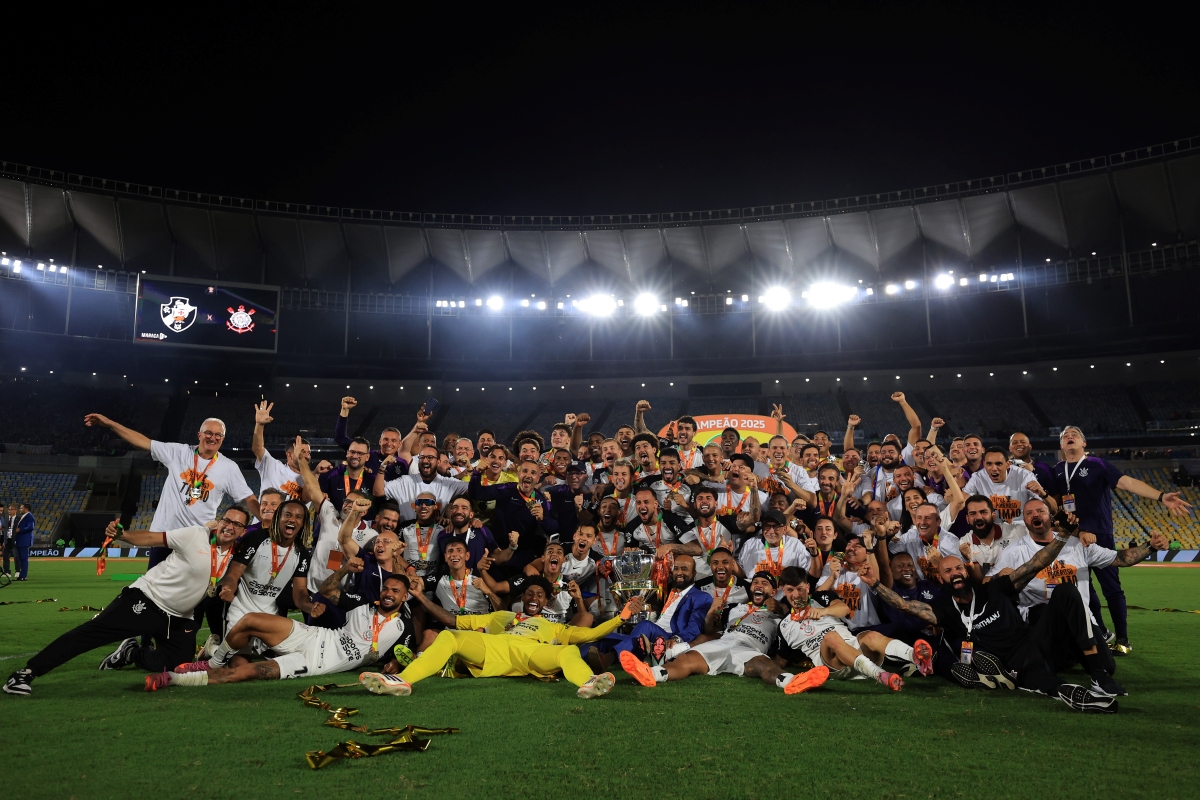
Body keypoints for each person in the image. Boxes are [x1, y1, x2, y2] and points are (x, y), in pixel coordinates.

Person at [861, 513, 1124, 713]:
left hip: (1036, 643)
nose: (954, 574)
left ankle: (1098, 673)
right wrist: (874, 584)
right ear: (941, 579)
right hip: (1014, 666)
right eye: (947, 572)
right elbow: (905, 605)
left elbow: (1036, 563)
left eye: (958, 569)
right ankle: (1078, 696)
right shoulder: (946, 611)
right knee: (1044, 684)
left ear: (966, 570)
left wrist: (1064, 536)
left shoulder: (994, 588)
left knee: (1066, 592)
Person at [4, 511, 248, 696]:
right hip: (148, 598)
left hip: (180, 617)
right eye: (227, 520)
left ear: (243, 531)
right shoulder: (195, 535)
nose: (230, 526)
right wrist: (122, 535)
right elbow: (152, 537)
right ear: (219, 521)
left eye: (238, 524)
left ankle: (132, 653)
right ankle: (27, 673)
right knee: (92, 634)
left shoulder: (237, 554)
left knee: (175, 666)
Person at [988, 498, 1170, 694]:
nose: (1035, 515)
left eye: (1040, 511)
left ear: (1051, 516)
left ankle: (1075, 655)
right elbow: (989, 583)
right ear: (1024, 521)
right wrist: (1000, 576)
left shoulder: (1078, 545)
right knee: (1064, 591)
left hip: (1081, 620)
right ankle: (1088, 669)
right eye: (1029, 513)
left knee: (1109, 666)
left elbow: (1120, 558)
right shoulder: (1015, 551)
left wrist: (1150, 546)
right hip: (1043, 622)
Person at [360, 580, 646, 699]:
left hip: (533, 654)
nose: (533, 598)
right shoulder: (501, 616)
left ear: (546, 601)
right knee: (449, 636)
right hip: (495, 650)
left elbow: (590, 633)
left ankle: (588, 682)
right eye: (529, 594)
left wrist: (620, 617)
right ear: (522, 599)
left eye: (539, 595)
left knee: (568, 652)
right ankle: (403, 681)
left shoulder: (554, 626)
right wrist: (420, 595)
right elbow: (454, 621)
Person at [1049, 425, 1191, 654]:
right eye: (1065, 436)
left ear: (1084, 444)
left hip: (1100, 534)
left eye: (1075, 434)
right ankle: (1102, 633)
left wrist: (1162, 496)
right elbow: (1053, 503)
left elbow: (1128, 483)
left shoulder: (1097, 464)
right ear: (1061, 446)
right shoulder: (1057, 469)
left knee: (1111, 589)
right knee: (1084, 589)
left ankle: (1123, 640)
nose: (1070, 436)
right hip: (1072, 538)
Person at [155, 574, 417, 689]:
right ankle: (212, 662)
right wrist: (346, 569)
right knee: (250, 620)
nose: (388, 594)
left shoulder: (403, 627)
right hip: (315, 637)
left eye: (395, 591)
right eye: (387, 589)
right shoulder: (361, 602)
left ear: (405, 597)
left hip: (314, 662)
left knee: (250, 672)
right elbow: (326, 590)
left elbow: (406, 654)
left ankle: (173, 679)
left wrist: (395, 661)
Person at [621, 572, 830, 697]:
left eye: (764, 583)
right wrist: (712, 611)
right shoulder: (735, 608)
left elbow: (795, 623)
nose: (758, 585)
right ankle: (653, 674)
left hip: (750, 648)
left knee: (764, 667)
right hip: (724, 641)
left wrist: (781, 608)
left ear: (774, 590)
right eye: (755, 582)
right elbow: (711, 630)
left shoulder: (781, 615)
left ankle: (791, 682)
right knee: (687, 661)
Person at [777, 566, 930, 690]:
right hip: (833, 665)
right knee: (830, 636)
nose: (796, 595)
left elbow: (843, 608)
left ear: (808, 587)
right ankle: (881, 675)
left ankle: (915, 656)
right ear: (783, 590)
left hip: (854, 650)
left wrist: (824, 611)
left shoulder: (820, 598)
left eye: (800, 589)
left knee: (871, 636)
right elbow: (783, 658)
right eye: (790, 590)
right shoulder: (784, 626)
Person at [217, 498, 315, 657]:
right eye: (288, 515)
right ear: (279, 518)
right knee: (238, 659)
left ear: (303, 523)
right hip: (241, 612)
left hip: (270, 616)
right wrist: (228, 587)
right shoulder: (257, 539)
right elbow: (234, 572)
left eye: (298, 517)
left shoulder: (302, 553)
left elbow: (300, 592)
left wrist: (310, 608)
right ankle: (214, 652)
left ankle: (214, 651)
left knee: (295, 655)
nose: (292, 519)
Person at [614, 553, 712, 669]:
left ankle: (612, 657)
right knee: (608, 637)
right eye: (676, 569)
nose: (679, 572)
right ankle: (594, 657)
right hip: (651, 634)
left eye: (684, 569)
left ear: (694, 573)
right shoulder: (669, 593)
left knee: (645, 625)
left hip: (668, 637)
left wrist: (676, 638)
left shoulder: (701, 596)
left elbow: (695, 627)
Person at [467, 460, 558, 570]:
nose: (528, 475)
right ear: (518, 474)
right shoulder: (506, 489)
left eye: (533, 473)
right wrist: (477, 473)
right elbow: (476, 493)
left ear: (538, 478)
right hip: (498, 549)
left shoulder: (541, 500)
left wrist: (542, 519)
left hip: (522, 552)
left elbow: (554, 529)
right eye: (525, 471)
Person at [375, 444, 469, 522]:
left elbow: (474, 492)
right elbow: (378, 492)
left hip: (436, 538)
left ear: (438, 462)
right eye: (422, 457)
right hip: (407, 536)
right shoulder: (405, 481)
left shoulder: (448, 483)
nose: (425, 461)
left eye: (430, 457)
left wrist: (473, 471)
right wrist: (382, 467)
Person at [250, 401, 308, 501]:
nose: (307, 456)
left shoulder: (309, 479)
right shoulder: (273, 467)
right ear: (289, 454)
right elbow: (257, 449)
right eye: (302, 452)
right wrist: (259, 425)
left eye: (309, 453)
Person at [11, 502, 34, 581]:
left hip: (24, 541)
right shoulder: (25, 516)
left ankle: (23, 576)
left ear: (26, 509)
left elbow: (31, 527)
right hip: (21, 541)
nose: (20, 509)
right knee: (21, 559)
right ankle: (22, 575)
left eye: (21, 508)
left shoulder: (29, 517)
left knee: (24, 559)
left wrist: (20, 530)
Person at [1, 502, 17, 577]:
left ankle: (17, 571)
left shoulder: (18, 519)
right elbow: (5, 530)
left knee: (16, 556)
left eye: (11, 509)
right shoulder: (6, 518)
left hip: (13, 540)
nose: (9, 511)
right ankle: (7, 572)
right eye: (9, 509)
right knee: (5, 556)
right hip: (6, 540)